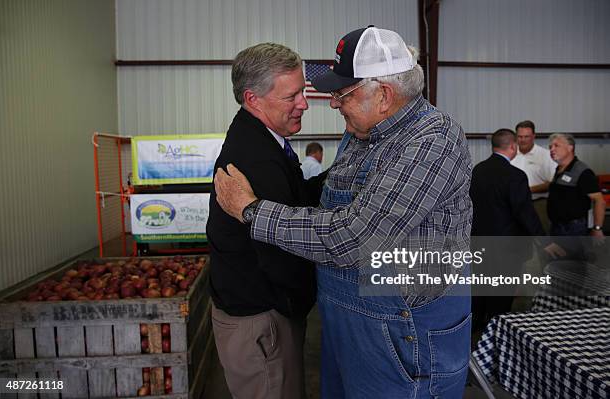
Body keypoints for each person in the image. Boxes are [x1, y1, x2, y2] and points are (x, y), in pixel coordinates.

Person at [215, 26, 473, 399]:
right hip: (350, 325)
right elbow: (333, 195)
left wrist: (250, 209)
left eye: (341, 93)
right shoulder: (362, 131)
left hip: (404, 334)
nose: (332, 103)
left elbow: (354, 238)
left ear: (383, 95)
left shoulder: (432, 140)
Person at [207, 43, 325, 399]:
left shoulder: (262, 139)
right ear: (253, 99)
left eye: (302, 92)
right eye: (292, 96)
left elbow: (294, 196)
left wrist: (336, 177)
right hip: (262, 320)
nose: (303, 103)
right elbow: (281, 246)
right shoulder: (256, 158)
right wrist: (301, 302)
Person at [469, 129, 545, 330]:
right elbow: (524, 212)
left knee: (479, 288)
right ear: (513, 147)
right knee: (501, 293)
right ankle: (496, 332)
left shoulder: (477, 170)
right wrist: (543, 239)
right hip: (507, 248)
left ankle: (475, 331)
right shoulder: (516, 176)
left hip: (478, 243)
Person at [547, 133, 606, 237]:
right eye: (550, 147)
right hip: (557, 226)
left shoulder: (583, 172)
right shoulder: (560, 169)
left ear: (570, 148)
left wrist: (597, 228)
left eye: (556, 146)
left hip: (573, 228)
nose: (552, 149)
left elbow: (599, 201)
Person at [511, 120, 556, 232]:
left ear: (534, 136)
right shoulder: (510, 154)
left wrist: (527, 190)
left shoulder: (545, 155)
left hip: (538, 204)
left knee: (541, 238)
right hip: (514, 204)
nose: (523, 140)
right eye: (520, 136)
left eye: (527, 136)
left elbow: (553, 183)